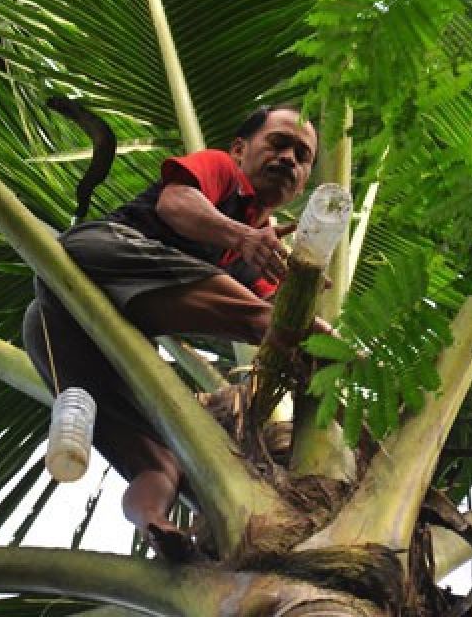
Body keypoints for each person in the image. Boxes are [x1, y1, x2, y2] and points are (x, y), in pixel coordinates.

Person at [22, 104, 329, 559]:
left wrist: (301, 298)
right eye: (279, 143)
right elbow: (176, 203)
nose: (289, 159)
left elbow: (273, 314)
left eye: (302, 156)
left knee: (159, 464)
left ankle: (155, 524)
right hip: (91, 258)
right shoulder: (222, 170)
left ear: (303, 181)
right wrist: (246, 241)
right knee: (270, 326)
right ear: (241, 149)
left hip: (80, 333)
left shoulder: (265, 253)